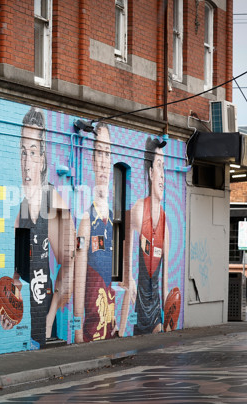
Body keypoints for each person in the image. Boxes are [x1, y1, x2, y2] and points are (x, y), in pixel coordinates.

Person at [0, 107, 74, 349]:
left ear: (42, 159)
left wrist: (51, 319)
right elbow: (18, 276)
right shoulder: (20, 212)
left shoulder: (53, 202)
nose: (26, 162)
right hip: (29, 329)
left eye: (33, 152)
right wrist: (10, 310)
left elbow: (69, 264)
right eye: (22, 152)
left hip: (44, 323)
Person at [119, 137, 169, 336]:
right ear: (150, 173)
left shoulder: (165, 223)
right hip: (138, 307)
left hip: (155, 307)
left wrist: (169, 316)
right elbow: (125, 243)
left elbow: (164, 282)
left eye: (165, 167)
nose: (163, 176)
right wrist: (128, 277)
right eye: (159, 166)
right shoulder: (140, 209)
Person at [74, 123, 115, 343]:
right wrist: (78, 330)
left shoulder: (113, 214)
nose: (103, 161)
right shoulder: (86, 218)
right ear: (92, 159)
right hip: (91, 327)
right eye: (99, 152)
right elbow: (80, 279)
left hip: (108, 322)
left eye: (107, 153)